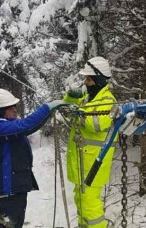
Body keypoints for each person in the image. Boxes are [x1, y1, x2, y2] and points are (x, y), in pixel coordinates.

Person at [0, 88, 66, 227]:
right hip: (5, 193)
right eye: (10, 107)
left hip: (12, 191)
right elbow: (26, 125)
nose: (15, 109)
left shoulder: (3, 127)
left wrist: (51, 111)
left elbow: (30, 127)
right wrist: (47, 107)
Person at [63, 56, 117, 228]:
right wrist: (71, 96)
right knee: (80, 201)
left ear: (99, 79)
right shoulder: (89, 98)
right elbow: (69, 105)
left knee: (90, 206)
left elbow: (97, 123)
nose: (85, 82)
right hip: (83, 163)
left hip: (94, 164)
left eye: (89, 78)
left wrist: (77, 113)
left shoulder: (107, 100)